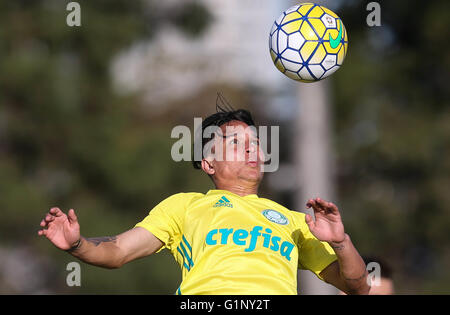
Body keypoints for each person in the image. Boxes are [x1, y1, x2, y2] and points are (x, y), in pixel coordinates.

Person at [38, 106, 370, 295]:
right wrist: (77, 245)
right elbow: (118, 251)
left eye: (255, 141)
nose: (252, 148)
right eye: (236, 142)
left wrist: (341, 242)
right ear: (208, 162)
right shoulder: (185, 206)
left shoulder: (298, 222)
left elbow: (358, 288)